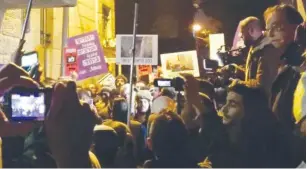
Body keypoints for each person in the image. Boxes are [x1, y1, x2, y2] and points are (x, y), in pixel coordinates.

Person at [265, 4, 304, 131]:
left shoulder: (300, 65)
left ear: (297, 28)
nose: (270, 34)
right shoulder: (285, 63)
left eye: (276, 27)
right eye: (268, 29)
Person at [227, 16, 282, 98]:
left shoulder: (266, 50)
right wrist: (235, 69)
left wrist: (237, 83)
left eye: (242, 33)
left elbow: (261, 84)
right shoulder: (256, 48)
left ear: (251, 31)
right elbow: (253, 74)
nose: (241, 36)